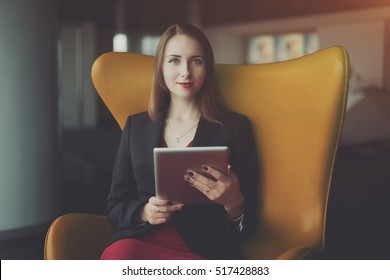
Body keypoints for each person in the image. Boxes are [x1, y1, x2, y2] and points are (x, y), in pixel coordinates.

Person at [100, 23, 259, 260]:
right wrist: (143, 212)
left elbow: (249, 225)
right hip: (140, 242)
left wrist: (234, 203)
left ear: (208, 68)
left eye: (196, 61)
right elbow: (115, 206)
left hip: (205, 248)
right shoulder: (136, 126)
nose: (185, 72)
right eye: (174, 60)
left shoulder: (235, 127)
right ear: (161, 68)